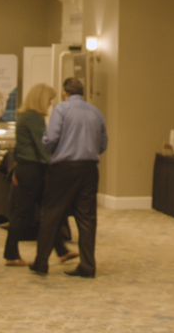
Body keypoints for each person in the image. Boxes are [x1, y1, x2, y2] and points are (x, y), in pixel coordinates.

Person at [30, 78, 106, 278]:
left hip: (64, 168)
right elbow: (103, 144)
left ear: (65, 93)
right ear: (83, 93)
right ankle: (88, 265)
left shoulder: (62, 110)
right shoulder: (96, 113)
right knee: (87, 218)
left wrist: (48, 149)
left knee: (52, 213)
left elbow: (52, 137)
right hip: (90, 168)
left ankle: (41, 262)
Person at [3, 83, 77, 267]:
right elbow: (42, 147)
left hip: (26, 168)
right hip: (34, 171)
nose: (50, 104)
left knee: (46, 212)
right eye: (49, 100)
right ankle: (11, 254)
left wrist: (17, 168)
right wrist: (58, 164)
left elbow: (21, 147)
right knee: (30, 213)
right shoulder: (34, 117)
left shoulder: (24, 117)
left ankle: (61, 250)